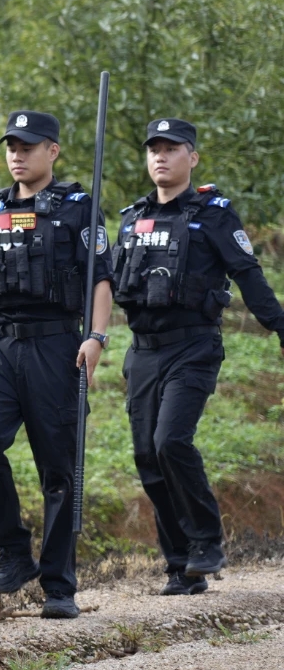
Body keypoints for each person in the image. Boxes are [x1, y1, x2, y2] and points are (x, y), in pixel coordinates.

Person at [112, 118, 284, 595]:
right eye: (154, 150)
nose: (160, 157)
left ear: (193, 157)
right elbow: (102, 282)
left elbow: (247, 273)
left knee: (171, 442)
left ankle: (207, 541)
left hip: (193, 347)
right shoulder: (131, 218)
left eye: (172, 149)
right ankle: (180, 562)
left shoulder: (213, 214)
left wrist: (279, 324)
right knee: (147, 456)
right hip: (142, 352)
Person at [0, 110, 112, 620]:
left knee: (59, 469)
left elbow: (100, 279)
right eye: (11, 147)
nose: (17, 155)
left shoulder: (78, 208)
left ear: (53, 151)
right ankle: (14, 552)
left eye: (28, 146)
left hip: (55, 346)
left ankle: (60, 585)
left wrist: (96, 337)